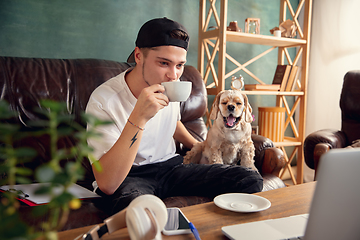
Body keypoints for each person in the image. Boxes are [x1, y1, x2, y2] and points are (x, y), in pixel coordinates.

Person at [86, 17, 263, 214]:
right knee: (137, 210)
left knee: (249, 179)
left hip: (171, 168)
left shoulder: (171, 86)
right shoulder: (104, 100)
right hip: (131, 175)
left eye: (180, 65)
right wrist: (138, 118)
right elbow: (107, 183)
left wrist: (198, 146)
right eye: (164, 63)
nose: (174, 75)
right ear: (138, 56)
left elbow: (173, 122)